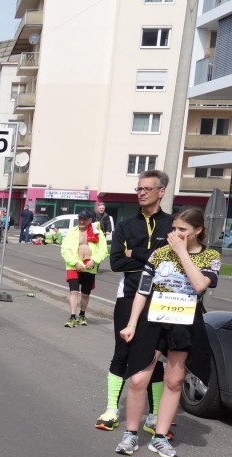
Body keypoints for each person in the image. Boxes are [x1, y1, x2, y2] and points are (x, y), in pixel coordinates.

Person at [115, 206, 219, 457]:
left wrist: (182, 252)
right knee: (138, 379)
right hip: (154, 320)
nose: (175, 234)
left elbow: (199, 285)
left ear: (198, 230)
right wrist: (131, 323)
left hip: (184, 323)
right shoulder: (160, 254)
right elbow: (143, 290)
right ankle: (130, 434)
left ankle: (160, 437)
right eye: (173, 228)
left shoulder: (210, 256)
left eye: (182, 229)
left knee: (174, 381)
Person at [95, 170, 174, 436]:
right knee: (122, 350)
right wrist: (155, 257)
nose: (141, 193)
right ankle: (111, 409)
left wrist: (136, 252)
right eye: (138, 189)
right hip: (129, 295)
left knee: (155, 355)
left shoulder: (172, 225)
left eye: (146, 189)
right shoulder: (126, 226)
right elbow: (117, 262)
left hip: (163, 297)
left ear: (161, 192)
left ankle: (154, 415)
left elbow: (174, 260)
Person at [61, 209, 108, 327]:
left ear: (90, 220)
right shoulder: (72, 232)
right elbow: (65, 250)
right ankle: (72, 316)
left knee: (86, 294)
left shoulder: (97, 233)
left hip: (89, 267)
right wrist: (75, 262)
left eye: (84, 219)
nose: (81, 221)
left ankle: (82, 314)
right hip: (73, 266)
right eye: (80, 219)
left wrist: (94, 260)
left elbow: (103, 250)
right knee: (74, 292)